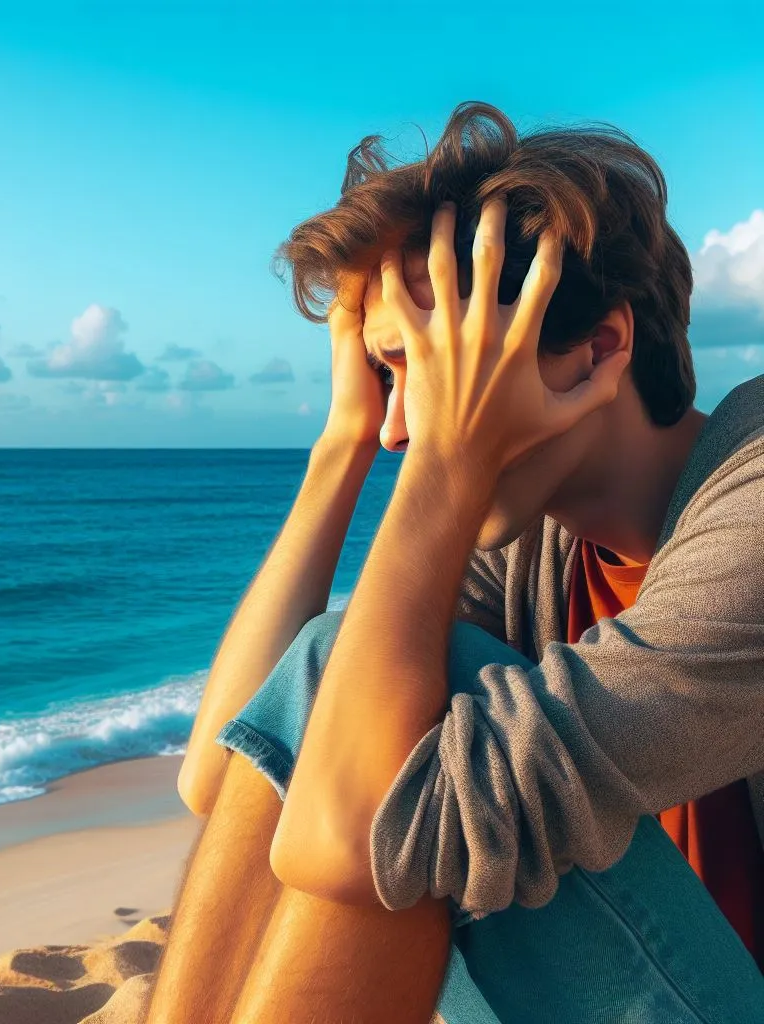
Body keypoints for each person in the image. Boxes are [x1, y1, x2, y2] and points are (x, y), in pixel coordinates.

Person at [143, 102, 764, 1023]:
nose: (397, 429)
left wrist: (447, 461)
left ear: (596, 350)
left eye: (425, 370)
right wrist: (341, 447)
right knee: (350, 678)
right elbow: (236, 769)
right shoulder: (533, 545)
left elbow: (341, 841)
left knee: (370, 745)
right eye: (380, 377)